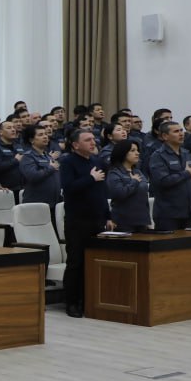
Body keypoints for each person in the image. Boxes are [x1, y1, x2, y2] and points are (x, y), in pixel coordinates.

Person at [59, 130, 111, 318]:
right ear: (75, 145)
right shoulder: (68, 162)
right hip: (77, 220)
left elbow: (102, 192)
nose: (93, 142)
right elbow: (68, 189)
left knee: (94, 260)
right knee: (76, 261)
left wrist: (108, 215)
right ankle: (72, 302)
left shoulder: (97, 161)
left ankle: (89, 299)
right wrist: (90, 178)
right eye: (87, 140)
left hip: (97, 218)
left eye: (93, 139)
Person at [148, 121, 191, 230]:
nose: (181, 134)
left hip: (189, 213)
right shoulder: (158, 156)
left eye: (181, 130)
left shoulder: (187, 153)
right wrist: (186, 173)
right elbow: (163, 181)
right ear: (165, 136)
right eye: (176, 131)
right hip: (168, 214)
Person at [20, 124, 61, 208]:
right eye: (40, 135)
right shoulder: (28, 157)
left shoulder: (48, 156)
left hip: (53, 202)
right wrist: (51, 168)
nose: (45, 137)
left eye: (45, 134)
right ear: (31, 140)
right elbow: (33, 176)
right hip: (36, 204)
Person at [0, 120, 25, 195]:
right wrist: (15, 160)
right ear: (0, 132)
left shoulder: (19, 146)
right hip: (6, 188)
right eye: (9, 128)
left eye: (13, 127)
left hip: (22, 187)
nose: (13, 130)